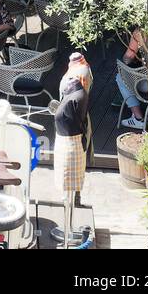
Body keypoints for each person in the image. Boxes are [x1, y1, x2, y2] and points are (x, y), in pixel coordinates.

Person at [54, 53, 92, 211]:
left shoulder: (73, 77)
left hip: (74, 121)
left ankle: (72, 198)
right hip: (77, 119)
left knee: (74, 162)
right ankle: (75, 197)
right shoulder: (86, 71)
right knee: (79, 161)